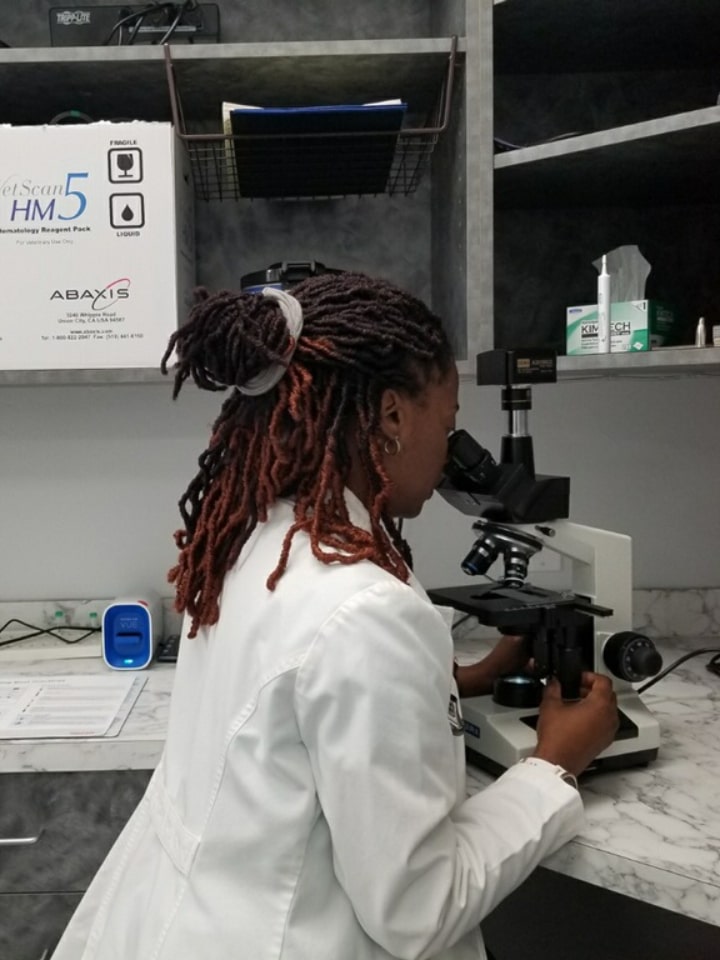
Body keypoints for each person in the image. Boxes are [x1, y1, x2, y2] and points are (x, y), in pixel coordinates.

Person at [52, 272, 618, 960]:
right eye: (447, 424)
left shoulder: (248, 539)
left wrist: (453, 683)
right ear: (391, 416)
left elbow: (291, 701)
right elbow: (417, 908)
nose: (449, 449)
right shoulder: (364, 611)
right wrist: (555, 764)